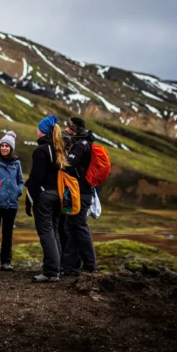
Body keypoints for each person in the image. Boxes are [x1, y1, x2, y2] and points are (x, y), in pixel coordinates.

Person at [25, 115, 69, 282]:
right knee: (55, 231)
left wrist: (30, 199)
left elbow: (36, 178)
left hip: (44, 197)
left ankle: (51, 271)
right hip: (58, 196)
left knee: (45, 232)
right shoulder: (59, 149)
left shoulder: (42, 150)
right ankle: (57, 269)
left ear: (42, 131)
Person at [61, 117, 98, 275]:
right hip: (81, 192)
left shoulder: (80, 146)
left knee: (79, 227)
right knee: (72, 227)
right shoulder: (86, 143)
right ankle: (70, 265)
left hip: (80, 193)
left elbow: (68, 164)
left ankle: (89, 264)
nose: (67, 130)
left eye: (69, 128)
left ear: (76, 130)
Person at [0, 131, 24, 272]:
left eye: (7, 146)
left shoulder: (16, 163)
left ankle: (6, 262)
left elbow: (20, 181)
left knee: (8, 233)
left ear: (11, 148)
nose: (4, 148)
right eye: (2, 145)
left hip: (11, 204)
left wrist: (17, 191)